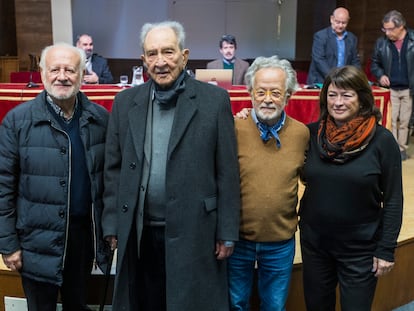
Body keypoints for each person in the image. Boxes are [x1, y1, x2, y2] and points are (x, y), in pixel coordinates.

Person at [101, 20, 241, 311]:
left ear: (184, 55)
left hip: (196, 230)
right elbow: (113, 169)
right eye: (152, 54)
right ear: (143, 60)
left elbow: (227, 172)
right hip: (140, 232)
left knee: (188, 303)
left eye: (168, 51)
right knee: (144, 301)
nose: (160, 61)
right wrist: (112, 223)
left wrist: (227, 231)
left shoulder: (214, 101)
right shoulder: (126, 103)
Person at [0, 43, 110, 310]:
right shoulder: (17, 122)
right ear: (42, 73)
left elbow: (109, 182)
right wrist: (8, 244)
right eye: (55, 69)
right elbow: (3, 187)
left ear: (82, 75)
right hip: (35, 243)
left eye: (70, 70)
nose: (62, 76)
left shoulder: (101, 119)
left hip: (82, 242)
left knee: (78, 305)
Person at [299, 65, 403, 311]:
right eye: (332, 94)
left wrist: (386, 248)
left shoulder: (382, 141)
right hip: (315, 245)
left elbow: (394, 199)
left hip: (360, 249)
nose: (337, 102)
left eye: (347, 95)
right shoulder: (311, 134)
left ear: (362, 98)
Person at [230, 56, 309, 311]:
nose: (267, 99)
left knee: (274, 306)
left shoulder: (301, 134)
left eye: (275, 93)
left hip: (280, 240)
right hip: (237, 239)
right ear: (250, 93)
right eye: (260, 91)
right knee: (235, 304)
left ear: (288, 96)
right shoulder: (234, 127)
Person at [370, 10, 414, 161]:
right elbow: (374, 64)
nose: (387, 32)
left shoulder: (412, 39)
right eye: (385, 29)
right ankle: (393, 148)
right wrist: (381, 75)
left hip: (409, 88)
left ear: (401, 26)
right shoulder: (381, 43)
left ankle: (402, 149)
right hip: (391, 89)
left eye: (390, 29)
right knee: (391, 119)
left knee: (405, 121)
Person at [306, 7, 361, 85]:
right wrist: (334, 78)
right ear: (332, 19)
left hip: (344, 82)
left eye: (344, 23)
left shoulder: (352, 38)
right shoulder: (320, 36)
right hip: (321, 80)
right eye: (337, 22)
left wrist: (353, 77)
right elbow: (319, 60)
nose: (340, 25)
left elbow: (355, 61)